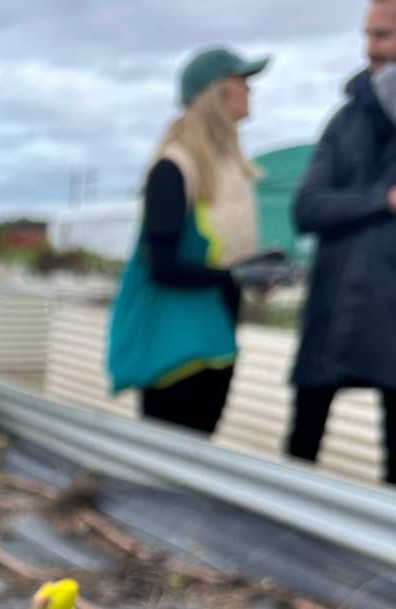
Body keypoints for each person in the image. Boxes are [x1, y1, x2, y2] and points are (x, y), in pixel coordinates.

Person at [108, 48, 276, 435]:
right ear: (216, 93)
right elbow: (162, 266)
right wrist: (234, 276)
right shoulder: (175, 168)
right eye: (242, 81)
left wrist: (254, 269)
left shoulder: (228, 169)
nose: (250, 90)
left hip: (214, 340)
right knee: (173, 461)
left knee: (198, 449)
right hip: (175, 350)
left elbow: (217, 256)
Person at [288, 0, 396, 485]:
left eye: (384, 36)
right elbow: (307, 208)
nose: (370, 48)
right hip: (335, 311)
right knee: (299, 450)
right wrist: (382, 200)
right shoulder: (345, 121)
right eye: (368, 35)